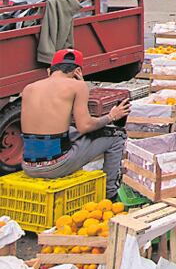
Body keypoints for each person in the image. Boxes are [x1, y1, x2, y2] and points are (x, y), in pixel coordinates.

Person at [20, 49, 130, 200]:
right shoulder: (77, 86)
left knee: (70, 131)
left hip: (28, 165)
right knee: (117, 135)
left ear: (49, 71)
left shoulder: (29, 88)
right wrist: (112, 116)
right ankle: (110, 194)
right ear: (78, 71)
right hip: (55, 166)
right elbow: (85, 126)